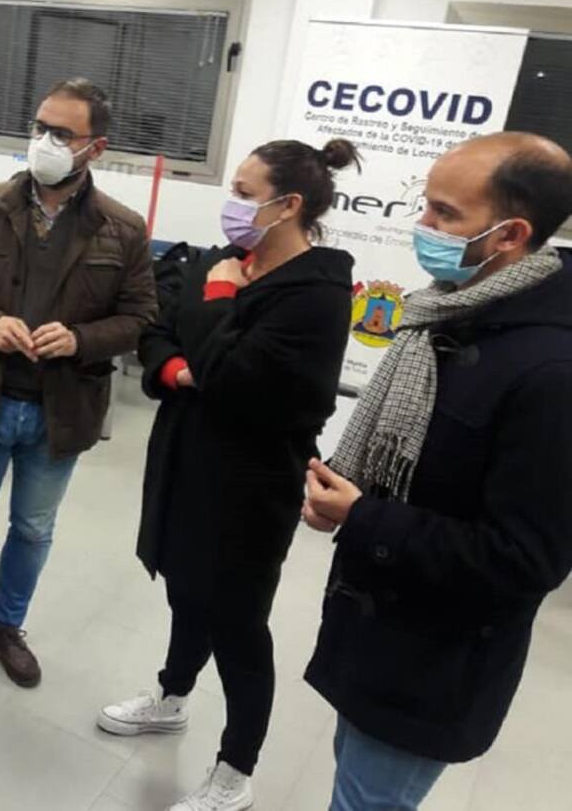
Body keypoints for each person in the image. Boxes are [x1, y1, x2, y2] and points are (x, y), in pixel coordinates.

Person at [301, 132, 572, 811]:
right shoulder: (444, 315)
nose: (421, 225)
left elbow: (526, 559)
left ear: (510, 235)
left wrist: (363, 517)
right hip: (374, 633)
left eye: (444, 213)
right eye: (425, 205)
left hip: (437, 664)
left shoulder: (552, 372)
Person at [99, 140, 359, 811]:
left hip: (251, 486)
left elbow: (241, 381)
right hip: (186, 461)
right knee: (185, 593)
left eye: (245, 192)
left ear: (289, 205)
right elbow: (157, 330)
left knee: (239, 626)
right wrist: (180, 369)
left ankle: (236, 769)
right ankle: (172, 696)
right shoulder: (224, 261)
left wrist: (216, 309)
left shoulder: (317, 295)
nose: (232, 204)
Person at [0, 77, 157, 689]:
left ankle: (6, 627)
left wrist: (81, 339)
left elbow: (141, 318)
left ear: (95, 148)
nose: (44, 141)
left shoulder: (123, 229)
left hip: (59, 411)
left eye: (62, 133)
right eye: (40, 127)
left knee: (32, 531)